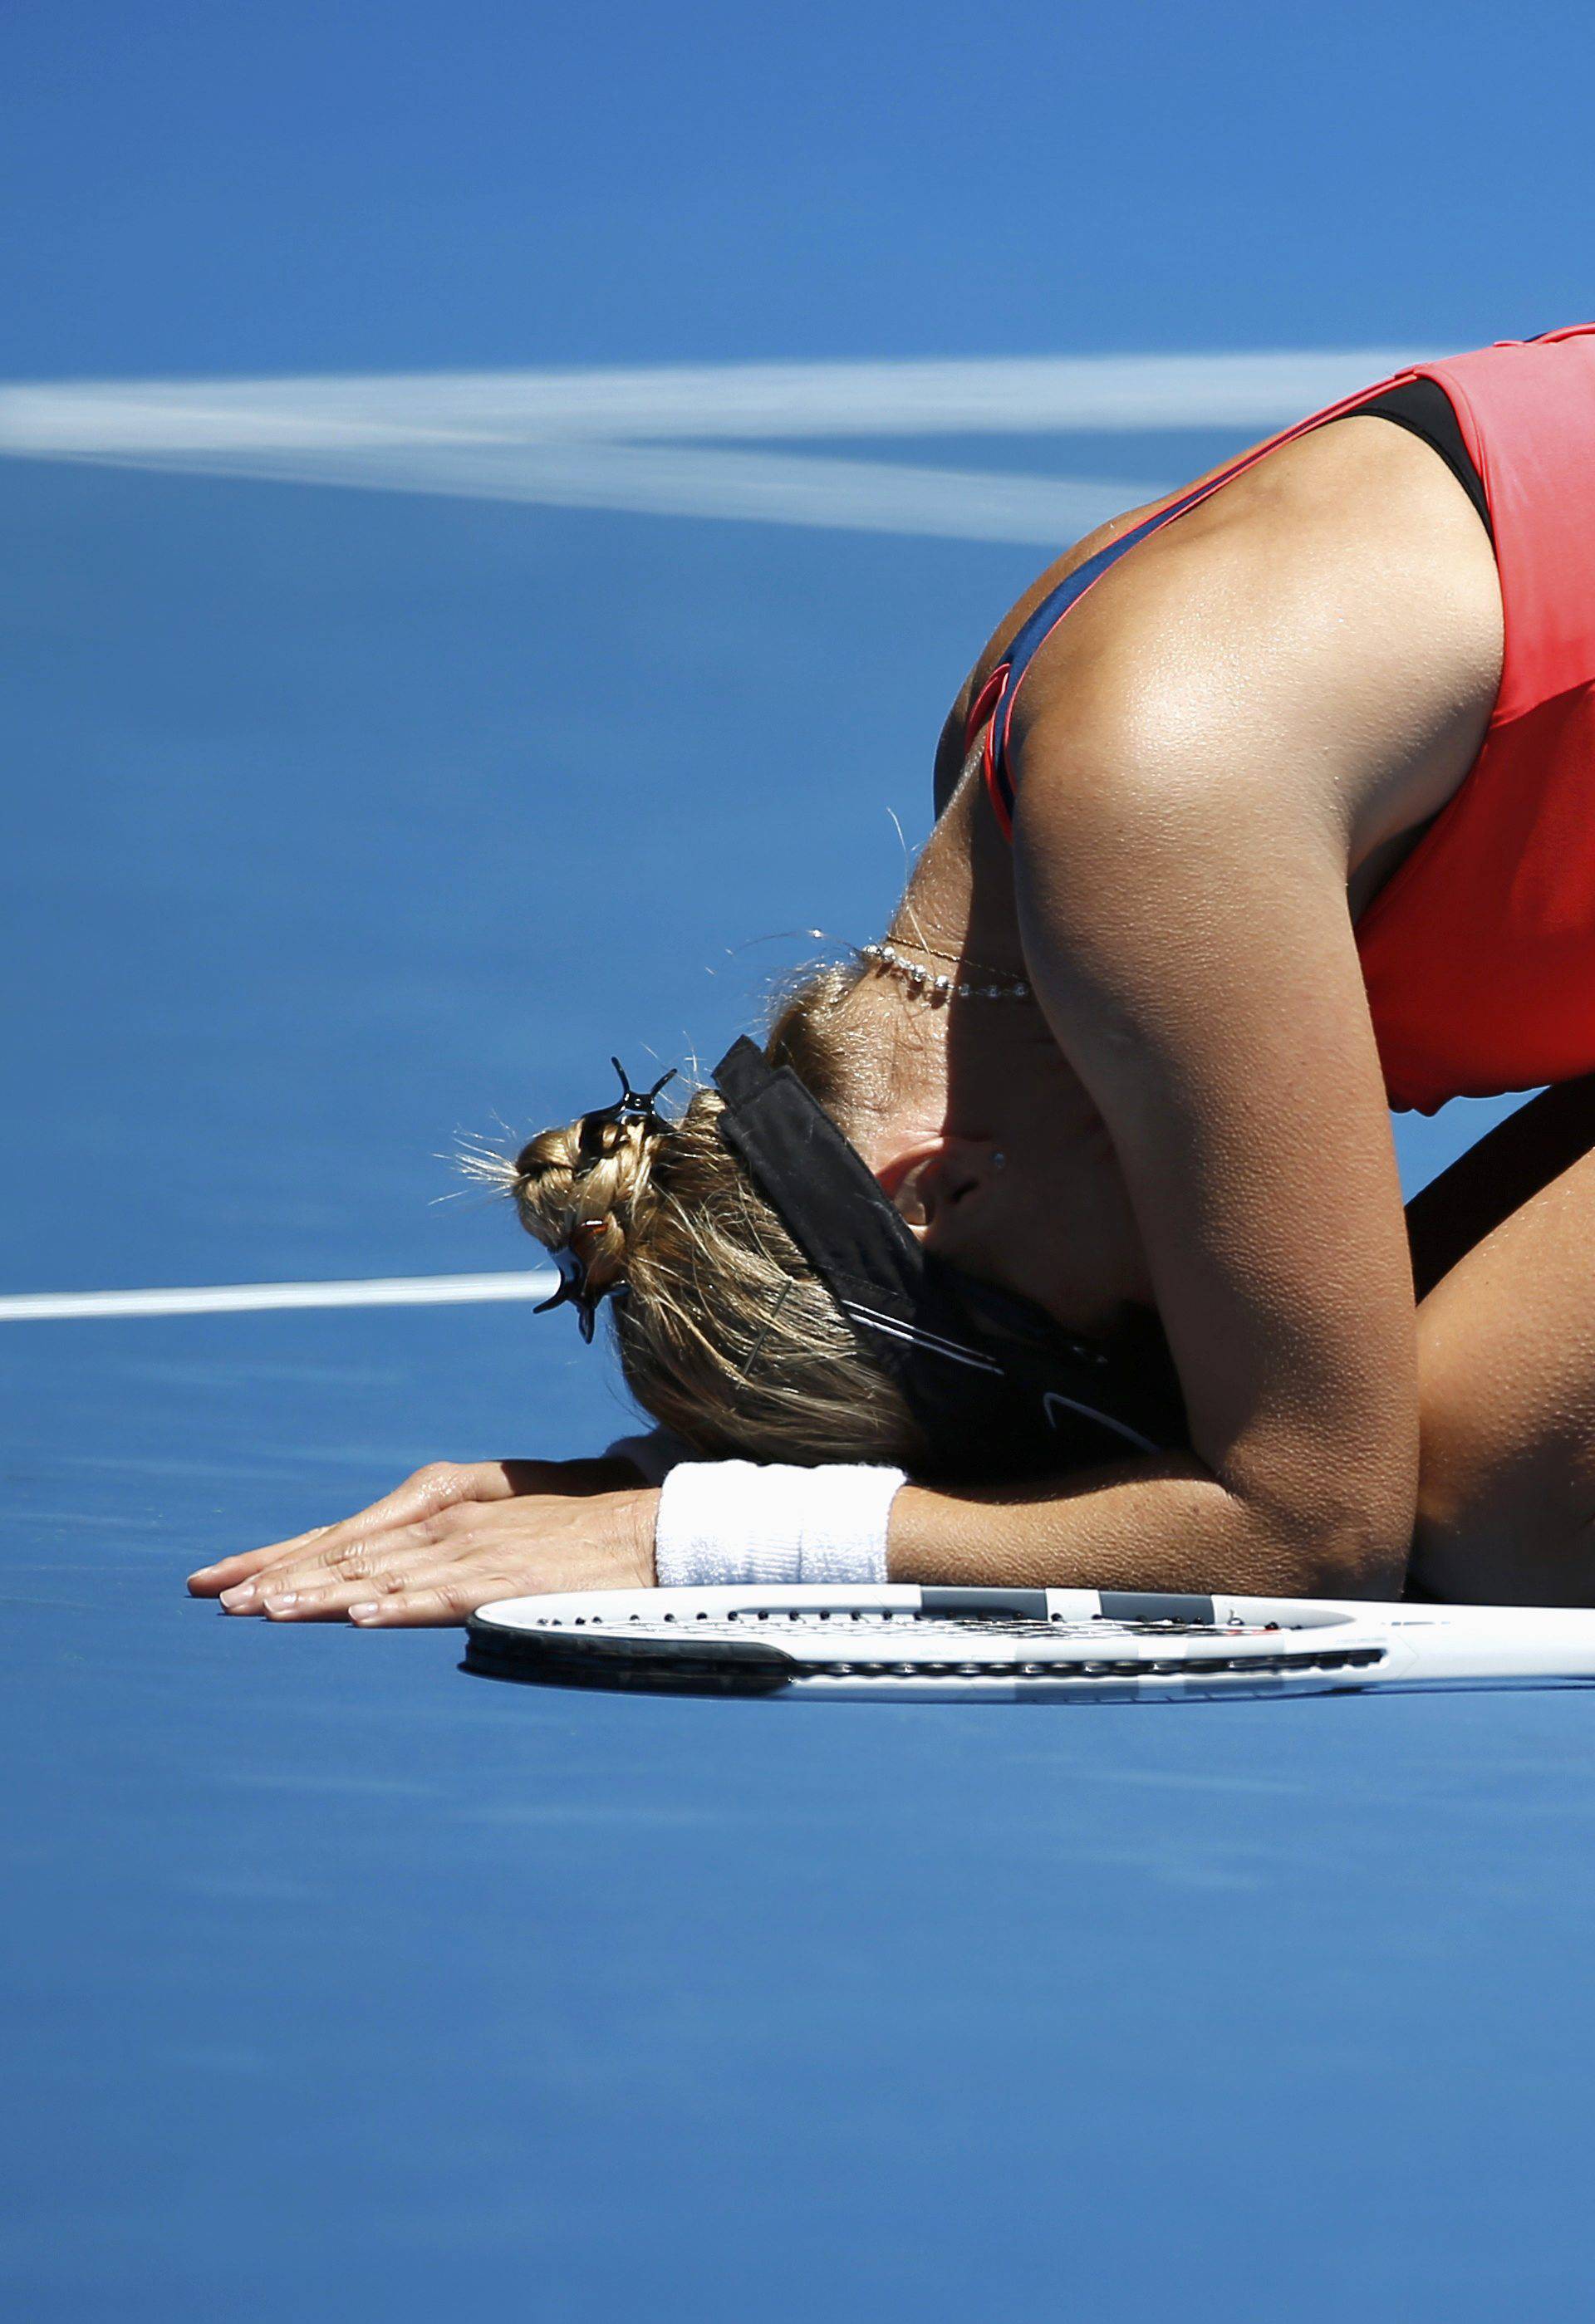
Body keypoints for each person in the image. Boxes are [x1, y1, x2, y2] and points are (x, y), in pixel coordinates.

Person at [189, 324, 1595, 1626]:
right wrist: (668, 1460)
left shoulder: (1150, 821)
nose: (1156, 1324)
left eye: (1095, 1333)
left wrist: (691, 1534)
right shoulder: (1021, 779)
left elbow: (1314, 1526)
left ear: (943, 1184)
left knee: (1484, 1497)